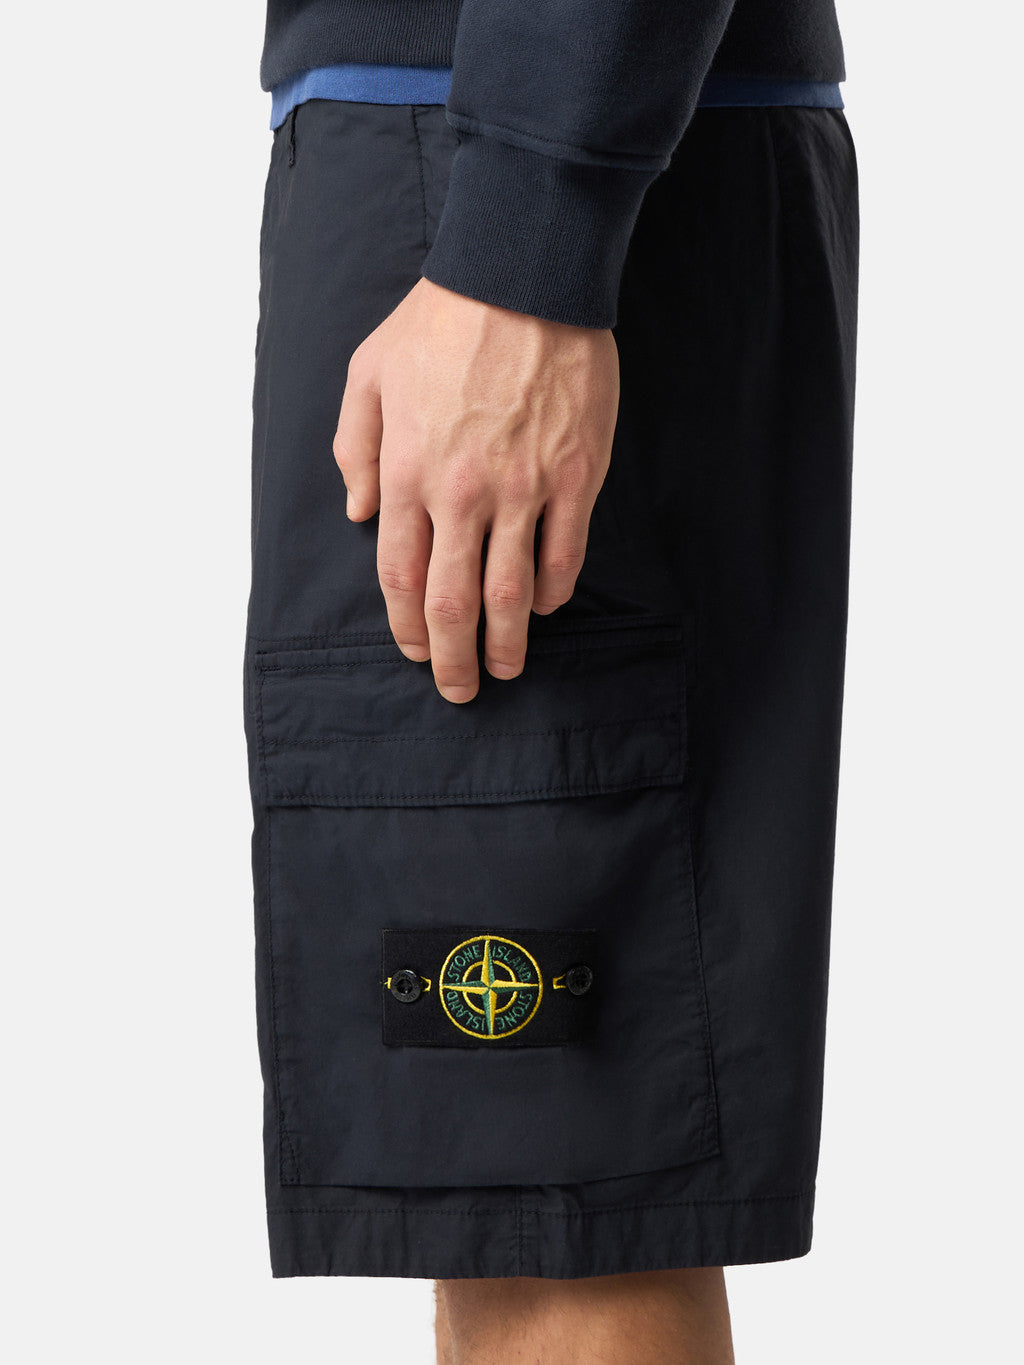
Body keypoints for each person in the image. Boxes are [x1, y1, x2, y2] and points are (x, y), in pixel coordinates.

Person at [244, 2, 859, 1360]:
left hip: (507, 174)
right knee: (508, 1200)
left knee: (558, 1206)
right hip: (498, 148)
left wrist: (527, 232)